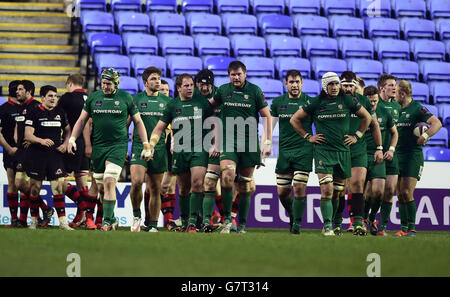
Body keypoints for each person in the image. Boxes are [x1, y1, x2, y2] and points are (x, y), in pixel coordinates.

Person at [68, 68, 152, 231]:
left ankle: (106, 221)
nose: (105, 86)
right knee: (100, 187)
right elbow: (81, 120)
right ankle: (112, 218)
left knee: (109, 181)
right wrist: (72, 139)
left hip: (118, 146)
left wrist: (146, 143)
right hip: (99, 147)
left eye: (108, 83)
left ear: (116, 83)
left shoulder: (126, 97)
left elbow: (139, 122)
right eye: (103, 83)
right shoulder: (93, 97)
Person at [290, 72, 371, 236]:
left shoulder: (347, 100)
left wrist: (357, 136)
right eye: (331, 84)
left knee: (338, 192)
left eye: (336, 84)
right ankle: (327, 226)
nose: (334, 87)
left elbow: (367, 117)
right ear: (324, 86)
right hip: (323, 152)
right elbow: (294, 119)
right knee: (327, 190)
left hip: (342, 152)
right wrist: (308, 136)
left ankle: (336, 223)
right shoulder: (316, 102)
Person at [208, 60, 272, 234]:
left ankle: (242, 224)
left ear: (245, 74)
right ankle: (227, 219)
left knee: (245, 184)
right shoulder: (223, 90)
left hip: (249, 142)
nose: (236, 77)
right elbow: (208, 107)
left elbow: (267, 116)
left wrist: (266, 142)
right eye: (232, 74)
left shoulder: (255, 91)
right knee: (227, 176)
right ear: (229, 76)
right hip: (228, 141)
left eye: (239, 74)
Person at [148, 73, 216, 233]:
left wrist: (214, 143)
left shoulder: (202, 103)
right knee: (184, 188)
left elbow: (214, 123)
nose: (190, 88)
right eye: (186, 85)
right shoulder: (172, 105)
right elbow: (159, 128)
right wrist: (151, 143)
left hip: (199, 150)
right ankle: (184, 221)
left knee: (198, 183)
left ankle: (193, 221)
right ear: (178, 88)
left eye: (192, 85)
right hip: (180, 151)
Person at [333, 71, 383, 236]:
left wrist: (379, 148)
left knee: (357, 184)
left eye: (351, 85)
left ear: (356, 85)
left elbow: (374, 125)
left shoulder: (363, 102)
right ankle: (337, 223)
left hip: (358, 149)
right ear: (340, 85)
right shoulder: (332, 100)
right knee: (338, 189)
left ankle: (359, 224)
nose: (347, 88)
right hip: (337, 150)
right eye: (345, 85)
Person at [394, 80, 442, 237]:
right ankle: (403, 228)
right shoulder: (394, 110)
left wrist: (426, 135)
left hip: (412, 155)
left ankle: (412, 228)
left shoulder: (417, 108)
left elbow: (437, 123)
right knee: (400, 193)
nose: (393, 96)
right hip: (396, 155)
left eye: (395, 93)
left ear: (402, 94)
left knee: (407, 191)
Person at [270, 70, 314, 234]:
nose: (294, 85)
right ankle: (293, 215)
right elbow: (270, 125)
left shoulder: (310, 101)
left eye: (297, 82)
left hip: (304, 149)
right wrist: (266, 144)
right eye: (291, 82)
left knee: (299, 186)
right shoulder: (277, 102)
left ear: (302, 83)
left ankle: (296, 225)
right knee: (282, 192)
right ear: (286, 84)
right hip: (285, 151)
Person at [24, 85, 72, 230]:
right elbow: (28, 135)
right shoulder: (33, 112)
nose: (53, 99)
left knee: (57, 187)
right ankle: (33, 221)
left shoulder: (60, 112)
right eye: (50, 96)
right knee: (34, 189)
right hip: (37, 155)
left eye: (55, 96)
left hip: (55, 155)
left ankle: (63, 223)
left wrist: (65, 143)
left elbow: (68, 130)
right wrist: (41, 140)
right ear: (43, 98)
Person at [128, 67, 170, 232]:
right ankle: (137, 215)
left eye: (158, 78)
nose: (157, 81)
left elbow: (171, 128)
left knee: (155, 189)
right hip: (139, 146)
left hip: (159, 149)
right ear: (145, 82)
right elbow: (126, 124)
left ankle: (152, 225)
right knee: (137, 182)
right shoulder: (135, 99)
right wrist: (123, 146)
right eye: (153, 79)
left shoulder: (168, 102)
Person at [58, 73, 96, 229]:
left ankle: (82, 206)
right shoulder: (91, 99)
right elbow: (90, 122)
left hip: (71, 142)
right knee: (82, 182)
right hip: (87, 143)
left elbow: (57, 118)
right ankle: (85, 218)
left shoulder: (67, 98)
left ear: (69, 83)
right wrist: (88, 144)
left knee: (60, 181)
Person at [14, 80, 54, 227]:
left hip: (33, 152)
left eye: (20, 89)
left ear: (29, 91)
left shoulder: (36, 106)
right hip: (21, 151)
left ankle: (33, 219)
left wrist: (33, 139)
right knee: (20, 185)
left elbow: (42, 126)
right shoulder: (21, 106)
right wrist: (17, 139)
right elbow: (19, 126)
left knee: (24, 184)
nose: (17, 92)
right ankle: (45, 209)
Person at [362, 85, 398, 236]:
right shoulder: (357, 113)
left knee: (378, 192)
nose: (372, 104)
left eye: (375, 101)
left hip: (378, 155)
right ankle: (362, 220)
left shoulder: (385, 112)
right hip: (361, 155)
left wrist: (390, 149)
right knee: (363, 193)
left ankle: (371, 218)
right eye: (369, 101)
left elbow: (394, 133)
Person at [194, 69, 222, 231]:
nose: (204, 88)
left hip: (216, 144)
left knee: (211, 182)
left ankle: (220, 217)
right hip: (196, 144)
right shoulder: (192, 96)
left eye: (207, 85)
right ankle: (205, 216)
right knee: (198, 182)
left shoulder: (220, 96)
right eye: (201, 85)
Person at [376, 74, 401, 234]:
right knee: (372, 193)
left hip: (392, 156)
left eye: (395, 85)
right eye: (390, 85)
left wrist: (391, 150)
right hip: (374, 155)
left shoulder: (398, 107)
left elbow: (396, 133)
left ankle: (382, 227)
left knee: (389, 190)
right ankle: (367, 220)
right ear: (382, 88)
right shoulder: (373, 105)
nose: (394, 88)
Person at [157, 79, 179, 231]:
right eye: (162, 89)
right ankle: (149, 218)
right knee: (160, 186)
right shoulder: (155, 106)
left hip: (169, 149)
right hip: (157, 149)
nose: (165, 92)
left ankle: (168, 220)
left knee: (171, 187)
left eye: (167, 90)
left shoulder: (173, 106)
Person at [0, 81, 21, 226]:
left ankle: (33, 216)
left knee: (25, 184)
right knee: (13, 183)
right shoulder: (4, 109)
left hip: (25, 152)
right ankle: (14, 219)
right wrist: (8, 149)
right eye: (19, 89)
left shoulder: (25, 107)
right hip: (11, 152)